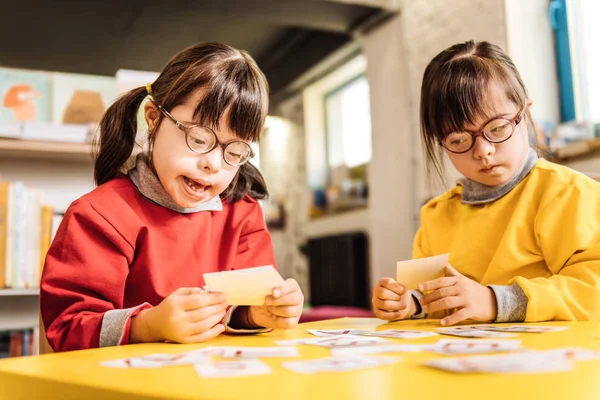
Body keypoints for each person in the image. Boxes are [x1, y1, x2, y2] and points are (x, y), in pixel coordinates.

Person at [41, 42, 304, 352]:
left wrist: (261, 313)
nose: (213, 164)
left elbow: (242, 309)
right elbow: (68, 326)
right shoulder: (100, 215)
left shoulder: (242, 214)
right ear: (154, 118)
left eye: (234, 152)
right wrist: (147, 325)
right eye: (199, 138)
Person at [372, 40, 600, 326]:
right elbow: (433, 300)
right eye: (458, 140)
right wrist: (409, 303)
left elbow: (592, 289)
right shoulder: (437, 216)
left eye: (497, 128)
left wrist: (496, 301)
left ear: (525, 113)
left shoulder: (568, 195)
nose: (483, 151)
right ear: (440, 143)